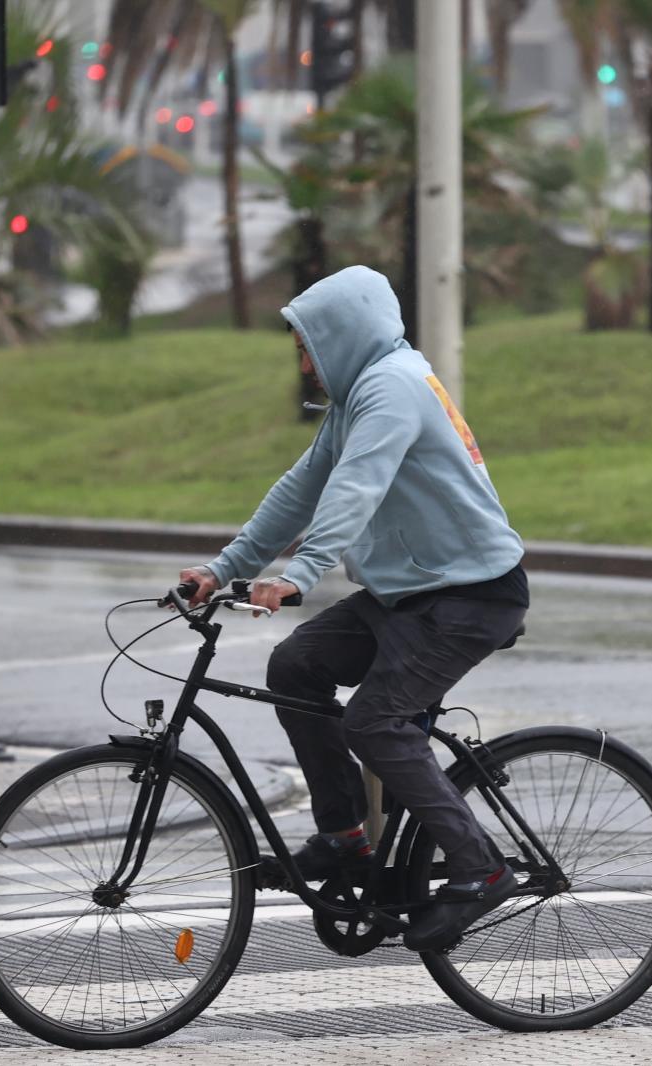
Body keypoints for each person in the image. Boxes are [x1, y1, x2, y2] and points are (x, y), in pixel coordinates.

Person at [178, 265, 529, 952]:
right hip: (413, 594)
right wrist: (225, 568)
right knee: (297, 665)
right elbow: (301, 488)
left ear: (344, 335)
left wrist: (301, 575)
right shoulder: (359, 396)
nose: (305, 364)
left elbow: (356, 487)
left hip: (470, 596)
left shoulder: (392, 389)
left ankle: (480, 867)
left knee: (376, 721)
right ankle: (346, 840)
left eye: (309, 347)